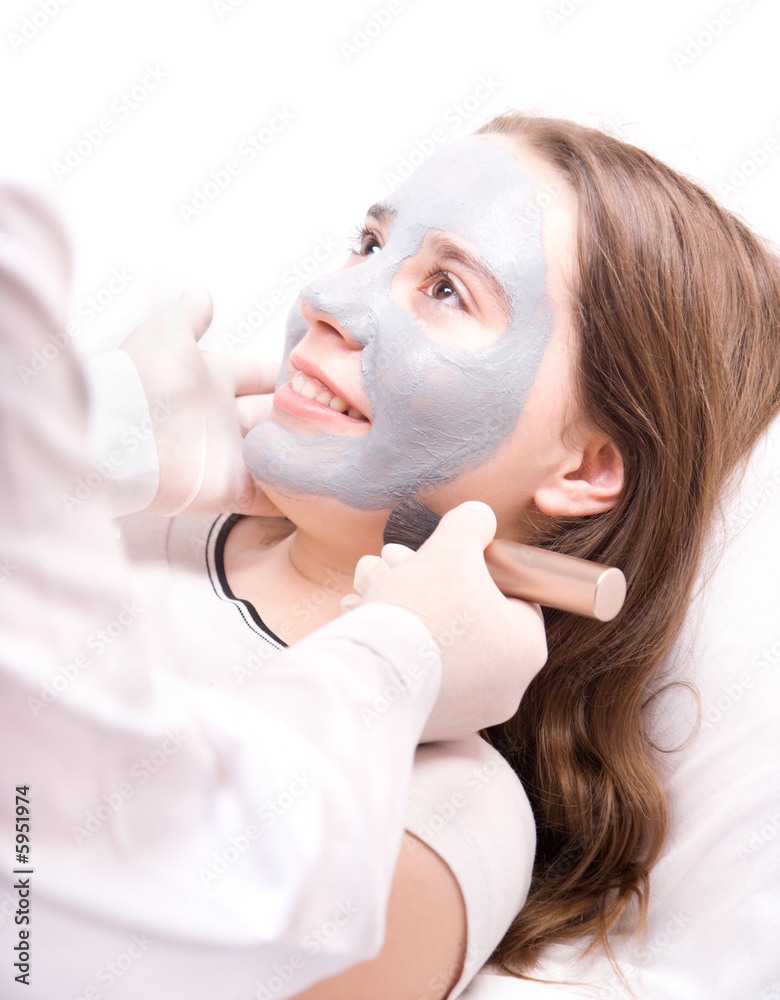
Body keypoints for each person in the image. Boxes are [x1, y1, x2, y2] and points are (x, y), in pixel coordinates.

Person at [114, 110, 780, 996]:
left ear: (584, 468)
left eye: (446, 290)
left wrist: (387, 672)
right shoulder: (114, 495)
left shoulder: (449, 811)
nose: (328, 298)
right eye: (368, 243)